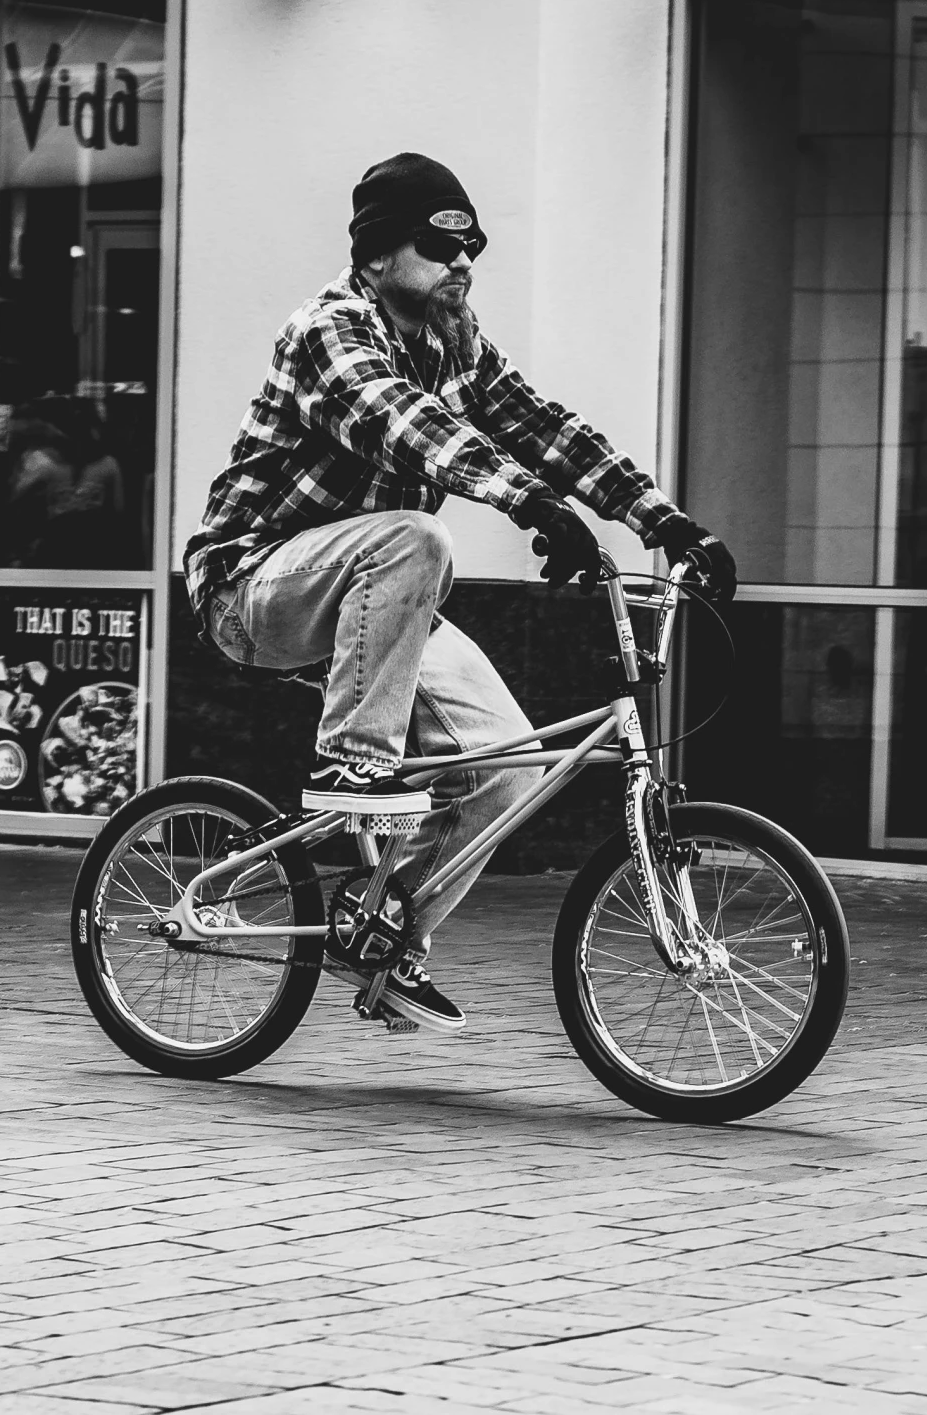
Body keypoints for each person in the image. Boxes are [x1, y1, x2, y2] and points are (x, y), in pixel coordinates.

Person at [183, 152, 735, 1033]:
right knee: (418, 534)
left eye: (472, 246)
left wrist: (665, 522)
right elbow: (410, 426)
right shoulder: (330, 330)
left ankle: (383, 930)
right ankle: (352, 766)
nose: (462, 263)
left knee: (511, 768)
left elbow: (545, 428)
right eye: (439, 248)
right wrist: (529, 505)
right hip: (253, 583)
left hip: (379, 600)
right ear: (376, 254)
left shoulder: (452, 342)